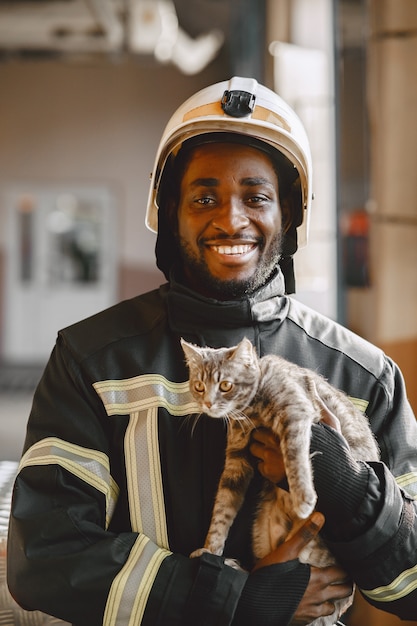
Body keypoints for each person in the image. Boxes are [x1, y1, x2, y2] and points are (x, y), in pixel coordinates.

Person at [7, 76, 417, 626]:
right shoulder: (91, 360)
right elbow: (45, 557)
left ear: (289, 215)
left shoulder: (364, 376)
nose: (230, 219)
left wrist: (346, 482)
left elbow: (410, 590)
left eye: (257, 197)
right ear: (171, 212)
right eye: (204, 198)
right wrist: (238, 602)